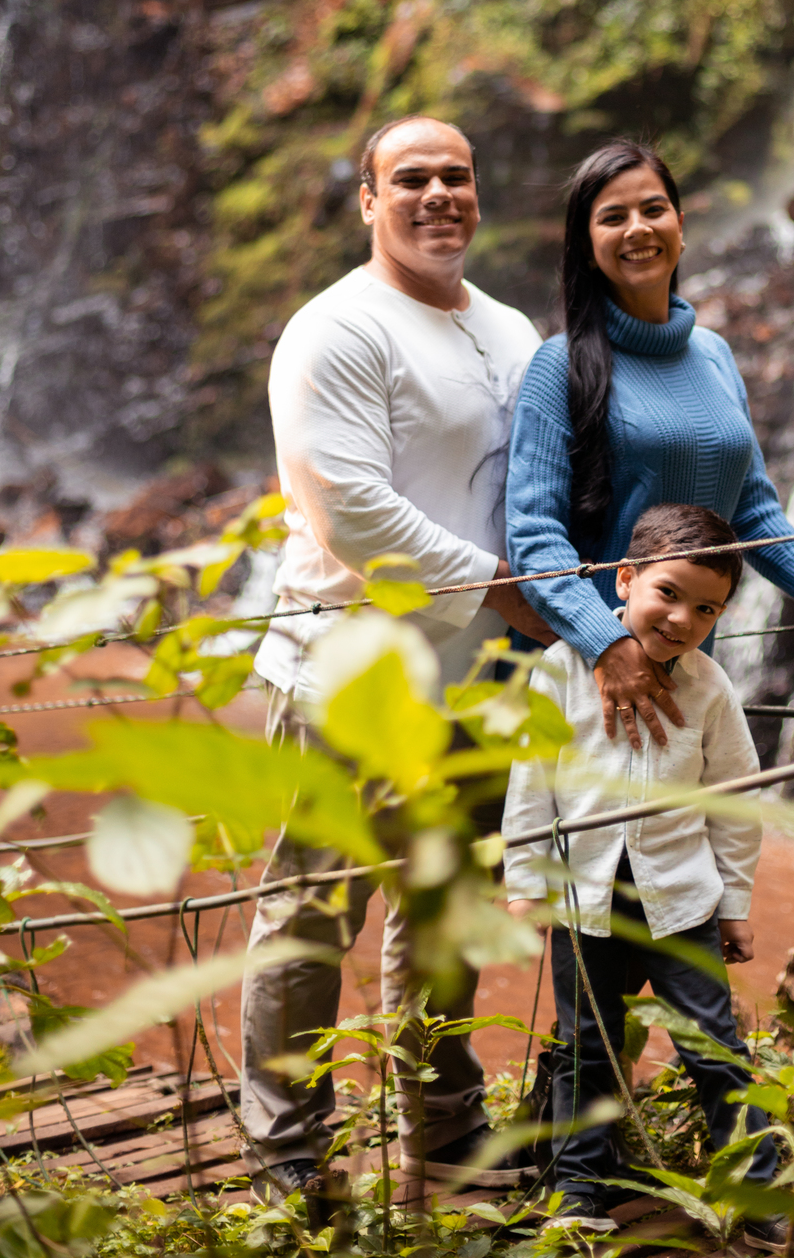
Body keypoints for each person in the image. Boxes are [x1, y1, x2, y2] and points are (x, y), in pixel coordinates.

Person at [240, 114, 554, 1204]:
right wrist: (503, 585)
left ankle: (446, 1130)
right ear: (369, 200)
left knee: (448, 906)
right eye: (410, 178)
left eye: (456, 176)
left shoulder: (511, 328)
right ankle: (287, 1155)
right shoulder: (335, 329)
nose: (438, 196)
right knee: (312, 910)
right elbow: (350, 513)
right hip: (351, 666)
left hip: (483, 672)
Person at [505, 139, 794, 746]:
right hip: (587, 668)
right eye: (613, 217)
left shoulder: (715, 355)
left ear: (679, 225)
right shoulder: (559, 365)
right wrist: (608, 644)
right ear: (587, 246)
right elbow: (533, 536)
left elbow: (751, 508)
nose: (637, 228)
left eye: (653, 209)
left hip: (685, 660)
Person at [502, 503, 781, 1236]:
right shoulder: (560, 671)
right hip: (584, 901)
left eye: (706, 609)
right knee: (586, 1048)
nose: (682, 619)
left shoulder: (710, 688)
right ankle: (579, 1193)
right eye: (668, 593)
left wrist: (735, 903)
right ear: (624, 579)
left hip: (682, 900)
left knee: (715, 1048)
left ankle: (755, 1196)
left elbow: (735, 800)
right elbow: (531, 786)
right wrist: (526, 885)